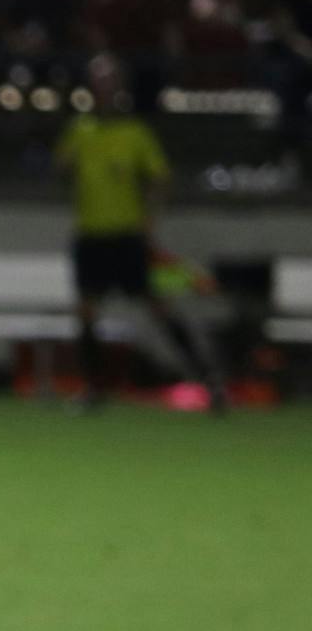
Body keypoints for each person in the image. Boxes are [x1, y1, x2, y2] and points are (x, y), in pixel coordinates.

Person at [55, 55, 225, 411]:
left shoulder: (135, 132)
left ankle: (208, 381)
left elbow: (160, 177)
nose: (104, 88)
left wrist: (150, 217)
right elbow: (63, 168)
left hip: (128, 236)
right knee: (86, 312)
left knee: (159, 307)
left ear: (120, 89)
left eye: (110, 82)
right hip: (90, 235)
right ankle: (93, 389)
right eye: (98, 82)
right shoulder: (80, 130)